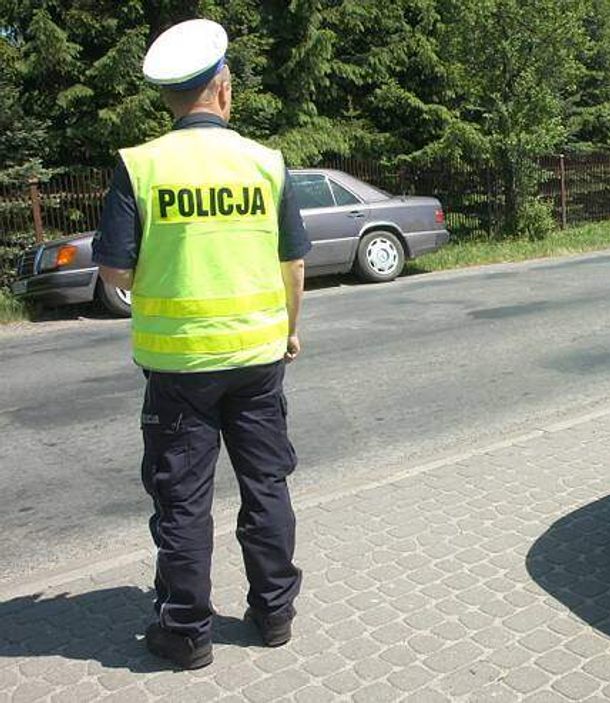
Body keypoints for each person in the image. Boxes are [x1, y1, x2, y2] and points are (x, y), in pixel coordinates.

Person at [92, 18, 310, 670]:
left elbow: (115, 272)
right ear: (223, 89)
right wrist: (288, 329)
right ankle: (274, 614)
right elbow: (293, 265)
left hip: (178, 365)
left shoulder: (141, 165)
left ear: (171, 98)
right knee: (266, 485)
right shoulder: (265, 163)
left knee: (183, 500)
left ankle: (186, 633)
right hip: (258, 359)